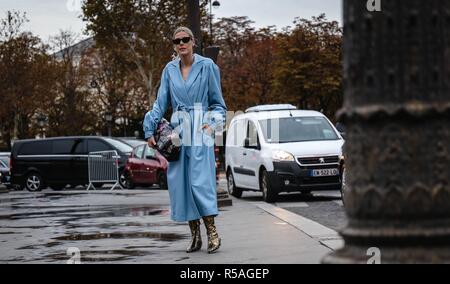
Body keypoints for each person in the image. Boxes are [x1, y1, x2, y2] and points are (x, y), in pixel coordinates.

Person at [143, 27, 227, 254]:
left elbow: (219, 104)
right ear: (174, 44)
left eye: (185, 39)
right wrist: (149, 130)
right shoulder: (169, 70)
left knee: (201, 182)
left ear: (193, 41)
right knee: (181, 184)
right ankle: (195, 235)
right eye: (177, 40)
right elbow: (160, 104)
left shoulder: (208, 67)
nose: (181, 43)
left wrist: (212, 123)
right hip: (177, 134)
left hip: (201, 129)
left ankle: (212, 232)